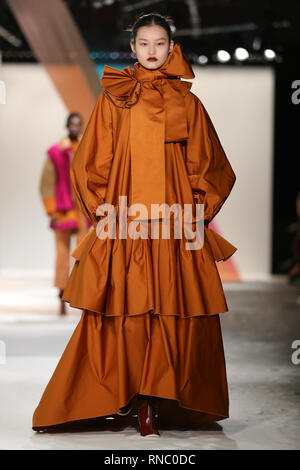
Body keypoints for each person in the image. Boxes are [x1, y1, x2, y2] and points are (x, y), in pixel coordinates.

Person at [32, 12, 237, 437]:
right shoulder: (114, 99)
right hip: (125, 219)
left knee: (166, 304)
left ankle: (156, 397)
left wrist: (197, 210)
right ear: (132, 48)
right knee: (124, 305)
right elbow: (92, 161)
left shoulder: (188, 102)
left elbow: (211, 164)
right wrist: (103, 210)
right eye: (143, 43)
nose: (151, 51)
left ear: (171, 47)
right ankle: (122, 393)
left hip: (174, 223)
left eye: (159, 43)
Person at [39, 112, 93, 315]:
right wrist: (51, 210)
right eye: (72, 123)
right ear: (67, 125)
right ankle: (61, 294)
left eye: (79, 124)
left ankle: (80, 293)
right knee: (62, 255)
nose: (75, 127)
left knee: (83, 254)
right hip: (62, 210)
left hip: (81, 210)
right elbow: (46, 183)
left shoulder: (87, 150)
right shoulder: (55, 152)